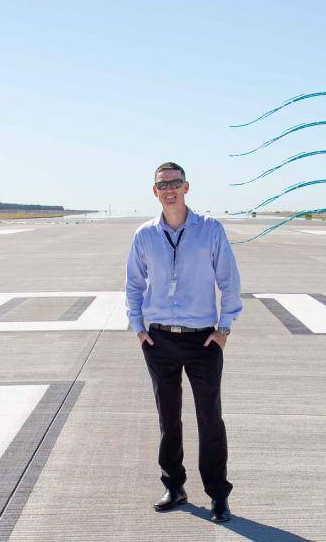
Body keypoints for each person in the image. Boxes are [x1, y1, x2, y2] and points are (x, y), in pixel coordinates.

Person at [125, 161, 241, 523]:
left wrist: (224, 329)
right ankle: (174, 486)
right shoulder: (144, 235)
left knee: (210, 419)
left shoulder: (210, 230)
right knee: (168, 419)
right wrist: (138, 327)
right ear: (154, 191)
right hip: (159, 340)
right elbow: (133, 283)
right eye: (163, 184)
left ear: (187, 187)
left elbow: (229, 280)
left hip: (202, 341)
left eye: (175, 182)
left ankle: (218, 495)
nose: (169, 188)